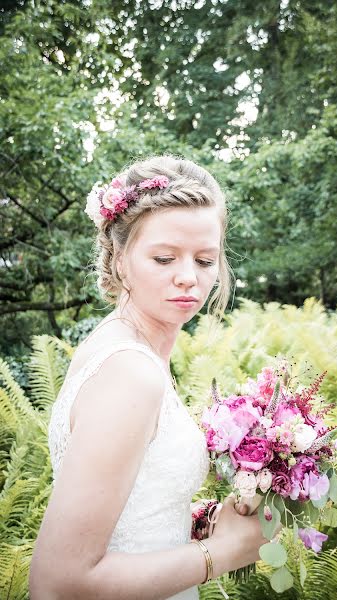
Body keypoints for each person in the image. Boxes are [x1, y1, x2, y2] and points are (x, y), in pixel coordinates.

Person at [29, 155, 269, 600]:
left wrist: (190, 521)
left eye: (204, 260)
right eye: (164, 258)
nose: (188, 278)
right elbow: (59, 582)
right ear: (120, 259)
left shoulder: (127, 349)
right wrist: (226, 550)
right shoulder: (130, 373)